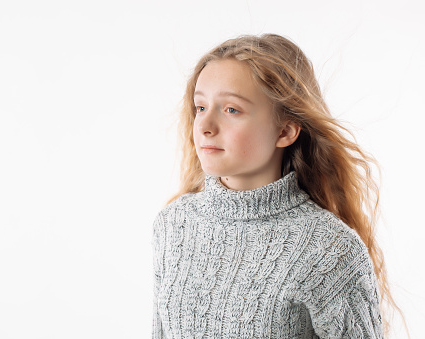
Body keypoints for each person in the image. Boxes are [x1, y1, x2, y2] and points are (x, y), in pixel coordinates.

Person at [152, 34, 403, 338]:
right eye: (201, 107)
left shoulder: (330, 248)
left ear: (285, 131)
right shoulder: (174, 224)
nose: (205, 126)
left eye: (231, 109)